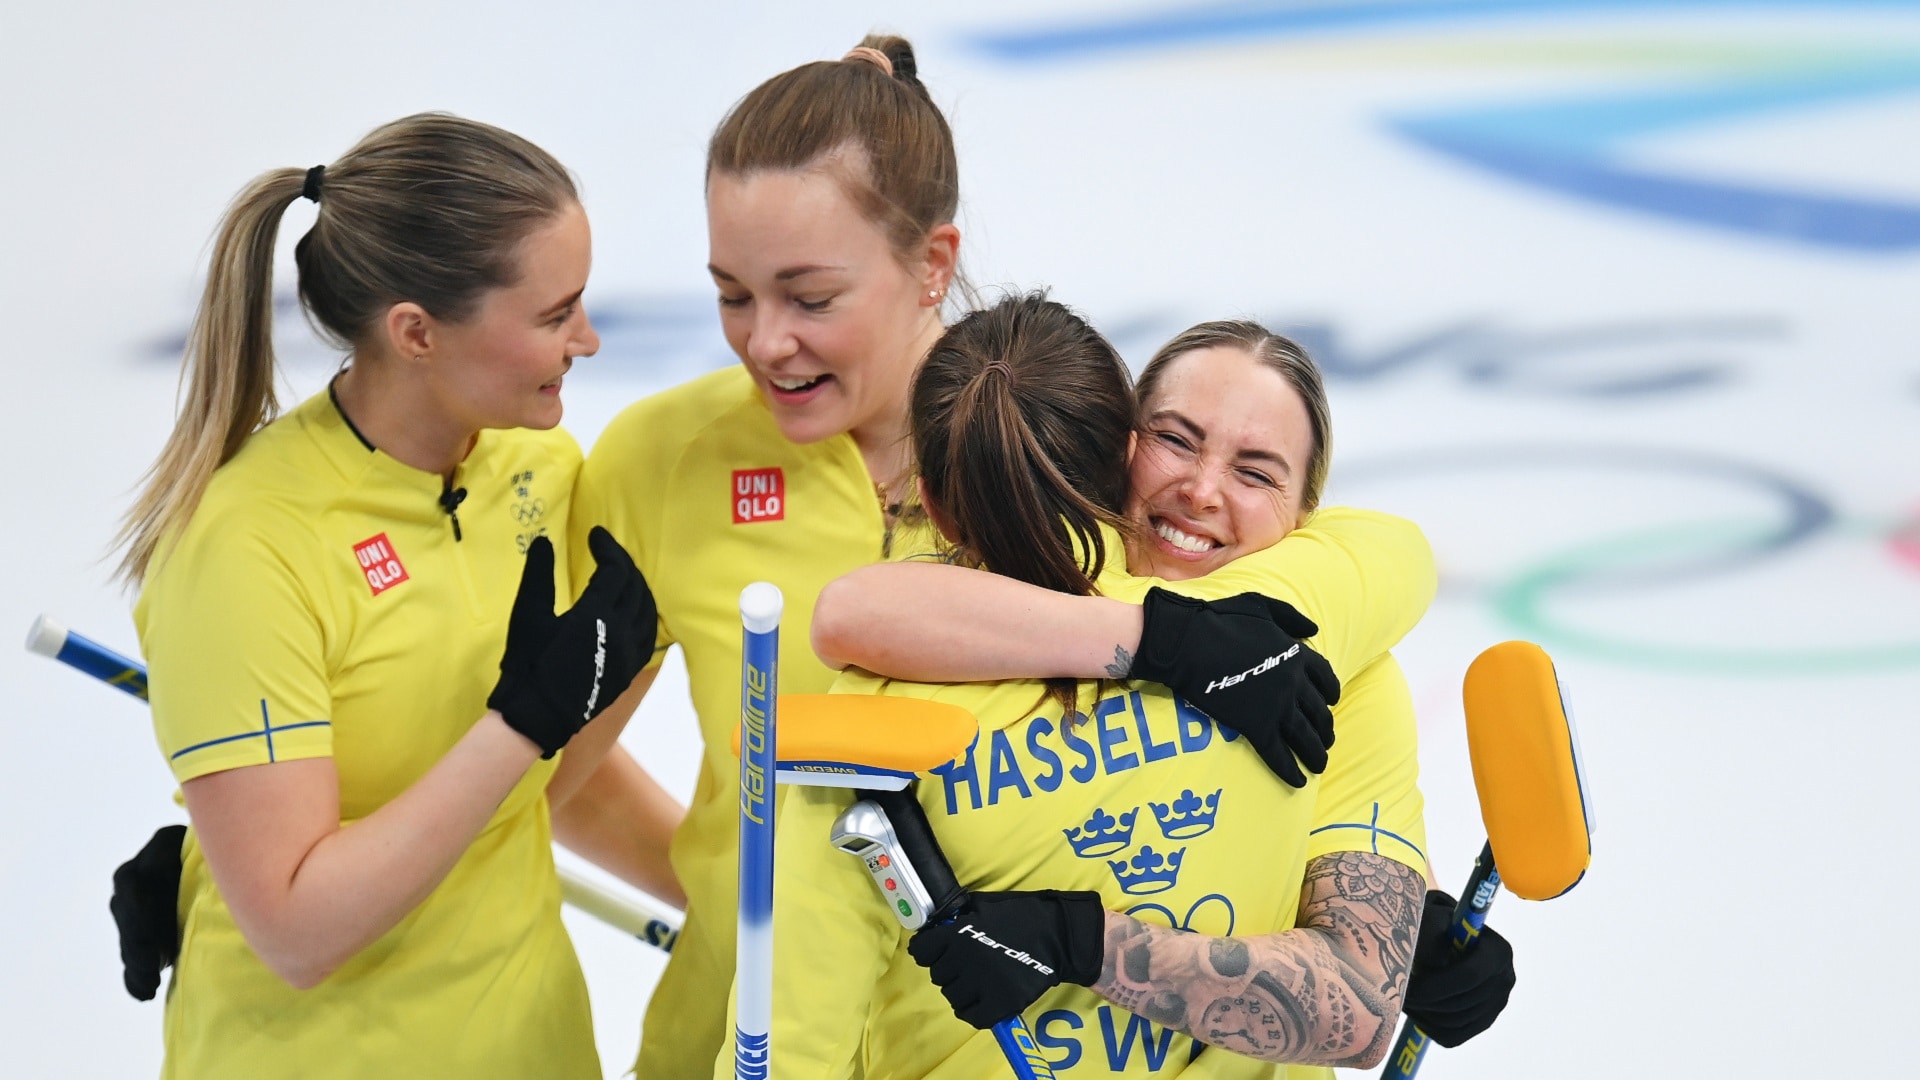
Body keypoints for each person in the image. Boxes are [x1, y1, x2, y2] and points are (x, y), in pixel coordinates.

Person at [552, 36, 1418, 1078]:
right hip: (751, 1037)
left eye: (809, 297)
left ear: (934, 263)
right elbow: (561, 775)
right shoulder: (659, 459)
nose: (764, 340)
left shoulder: (1055, 441)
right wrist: (751, 903)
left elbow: (1352, 571)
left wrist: (1377, 906)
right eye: (732, 293)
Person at [733, 295, 1434, 1077]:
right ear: (1123, 447)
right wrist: (1160, 636)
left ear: (1309, 517)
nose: (1203, 492)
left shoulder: (1327, 663)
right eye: (1176, 440)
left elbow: (1360, 1003)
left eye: (1255, 471)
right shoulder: (1319, 633)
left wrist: (1081, 942)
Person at [114, 113, 656, 1078]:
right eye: (552, 314)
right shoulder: (248, 547)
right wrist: (520, 724)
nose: (588, 338)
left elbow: (539, 790)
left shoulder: (540, 468)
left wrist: (761, 905)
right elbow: (295, 930)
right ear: (416, 332)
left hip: (533, 1047)